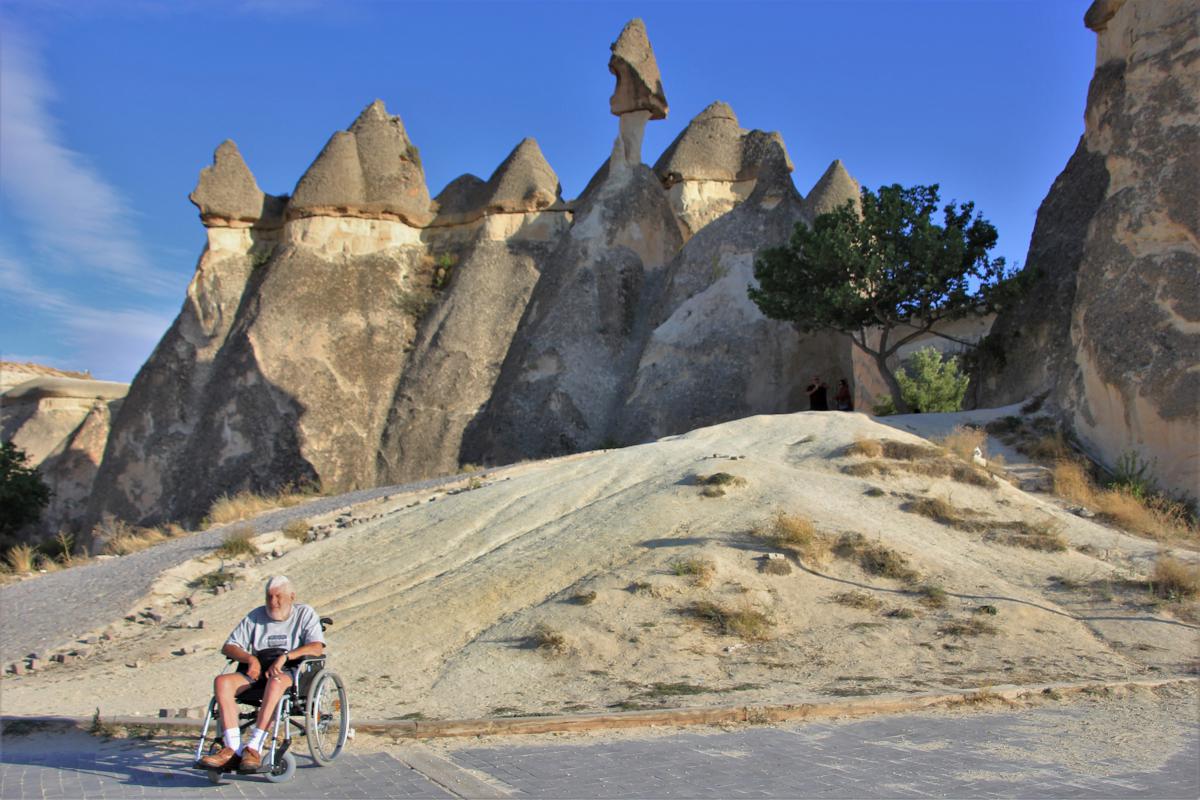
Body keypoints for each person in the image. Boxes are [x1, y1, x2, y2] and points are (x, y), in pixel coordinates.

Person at [198, 576, 325, 773]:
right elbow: (229, 646)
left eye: (278, 597)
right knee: (222, 682)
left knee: (275, 683)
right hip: (258, 669)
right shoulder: (256, 616)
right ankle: (233, 748)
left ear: (291, 596)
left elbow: (316, 647)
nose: (273, 602)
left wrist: (286, 656)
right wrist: (250, 659)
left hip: (291, 669)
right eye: (269, 597)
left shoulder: (304, 613)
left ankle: (254, 747)